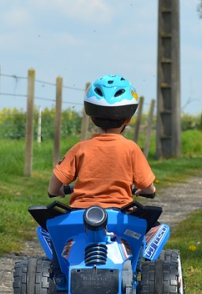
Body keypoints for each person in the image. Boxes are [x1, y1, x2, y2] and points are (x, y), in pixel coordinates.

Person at [47, 74, 156, 209]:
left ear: (91, 117)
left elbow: (55, 183)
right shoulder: (131, 149)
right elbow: (148, 187)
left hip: (81, 214)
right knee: (155, 228)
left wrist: (55, 190)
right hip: (120, 214)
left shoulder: (80, 148)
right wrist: (147, 191)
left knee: (48, 228)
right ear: (128, 119)